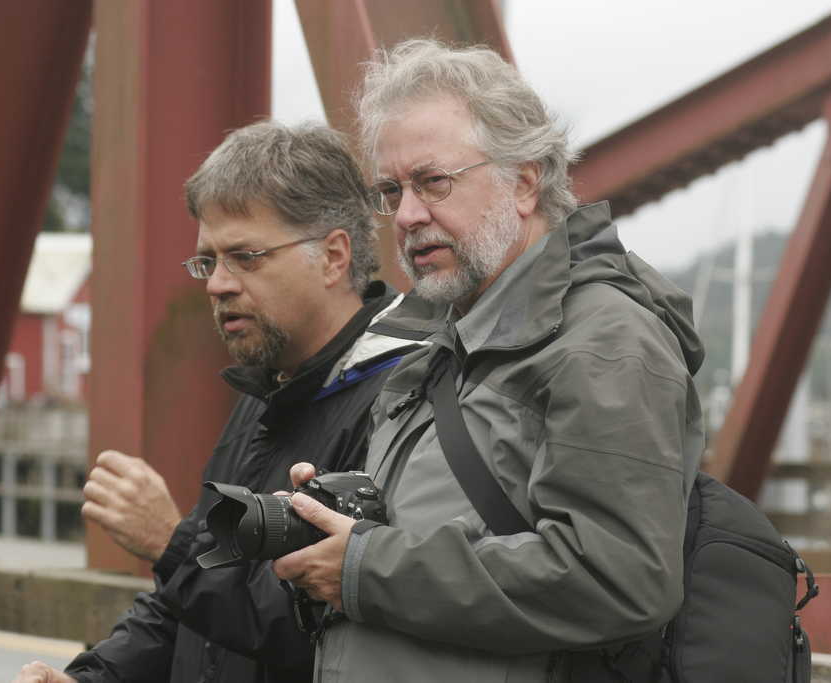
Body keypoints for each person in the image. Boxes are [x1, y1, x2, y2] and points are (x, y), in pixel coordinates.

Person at [272, 39, 706, 681]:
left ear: (524, 182)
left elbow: (619, 577)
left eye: (433, 182)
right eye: (392, 190)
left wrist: (367, 567)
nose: (408, 216)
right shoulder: (448, 340)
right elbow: (436, 532)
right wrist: (339, 524)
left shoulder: (605, 342)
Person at [12, 121, 438, 683]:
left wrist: (171, 543)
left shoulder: (403, 398)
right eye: (208, 261)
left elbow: (314, 626)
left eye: (245, 256)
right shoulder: (270, 391)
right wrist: (91, 678)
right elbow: (182, 608)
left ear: (334, 256)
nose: (217, 284)